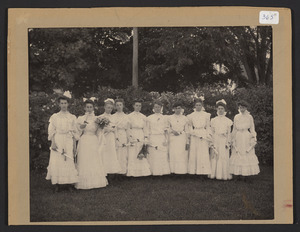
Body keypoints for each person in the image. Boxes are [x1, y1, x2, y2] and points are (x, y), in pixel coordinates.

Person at [46, 93, 79, 192]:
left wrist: (74, 146)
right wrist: (53, 143)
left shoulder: (72, 117)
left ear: (68, 104)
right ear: (59, 104)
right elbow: (51, 131)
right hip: (58, 139)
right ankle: (57, 184)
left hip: (68, 139)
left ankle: (69, 183)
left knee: (68, 160)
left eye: (65, 103)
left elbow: (74, 132)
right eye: (62, 103)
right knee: (57, 161)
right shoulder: (55, 117)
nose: (64, 105)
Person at [75, 99, 108, 189]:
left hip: (93, 140)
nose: (89, 109)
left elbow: (98, 132)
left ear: (93, 108)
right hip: (84, 140)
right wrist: (81, 128)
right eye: (87, 107)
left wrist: (101, 127)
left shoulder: (97, 119)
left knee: (94, 159)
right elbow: (76, 132)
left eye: (90, 107)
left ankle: (96, 181)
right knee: (85, 159)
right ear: (84, 108)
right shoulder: (80, 118)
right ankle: (83, 182)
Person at [229, 100, 260, 179]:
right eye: (240, 108)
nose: (242, 109)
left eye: (243, 107)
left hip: (246, 136)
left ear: (246, 108)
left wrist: (254, 137)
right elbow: (234, 129)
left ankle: (247, 175)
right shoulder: (236, 117)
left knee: (246, 153)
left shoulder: (249, 117)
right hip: (238, 136)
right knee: (237, 152)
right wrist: (232, 138)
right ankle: (238, 174)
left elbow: (252, 128)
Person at [126, 99, 151, 177]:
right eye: (136, 105)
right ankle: (132, 172)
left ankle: (142, 172)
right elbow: (128, 128)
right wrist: (130, 137)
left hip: (141, 134)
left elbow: (145, 128)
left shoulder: (143, 117)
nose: (138, 107)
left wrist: (146, 137)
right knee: (133, 153)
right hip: (133, 134)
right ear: (133, 106)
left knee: (140, 152)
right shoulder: (129, 116)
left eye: (139, 106)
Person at [187, 98, 212, 176]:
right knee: (194, 152)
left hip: (203, 134)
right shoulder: (191, 115)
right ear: (194, 106)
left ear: (202, 106)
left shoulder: (206, 115)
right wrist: (193, 132)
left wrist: (208, 135)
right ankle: (194, 171)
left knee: (203, 152)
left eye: (199, 105)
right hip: (195, 134)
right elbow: (190, 126)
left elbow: (208, 126)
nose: (198, 106)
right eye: (197, 105)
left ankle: (203, 171)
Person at [209, 99, 233, 180]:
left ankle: (223, 175)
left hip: (223, 140)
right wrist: (211, 142)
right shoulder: (213, 120)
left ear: (224, 110)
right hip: (216, 139)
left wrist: (228, 143)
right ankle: (213, 174)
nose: (220, 110)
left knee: (222, 156)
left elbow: (229, 133)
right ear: (217, 109)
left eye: (222, 109)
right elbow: (211, 132)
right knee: (215, 155)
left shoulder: (228, 121)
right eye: (219, 108)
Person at [98, 98, 122, 177]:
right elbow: (99, 129)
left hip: (111, 137)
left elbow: (116, 128)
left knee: (111, 153)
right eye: (108, 107)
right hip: (104, 137)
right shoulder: (100, 117)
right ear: (104, 107)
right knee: (104, 152)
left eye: (111, 108)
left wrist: (116, 135)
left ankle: (111, 171)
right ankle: (103, 171)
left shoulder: (113, 117)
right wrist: (107, 129)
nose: (110, 109)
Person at [146, 101, 170, 176]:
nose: (157, 108)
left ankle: (162, 172)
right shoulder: (149, 118)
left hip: (161, 137)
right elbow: (147, 129)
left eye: (159, 107)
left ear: (161, 108)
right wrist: (147, 139)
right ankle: (152, 172)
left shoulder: (165, 118)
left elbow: (166, 129)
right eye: (156, 107)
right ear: (153, 108)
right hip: (153, 137)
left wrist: (166, 140)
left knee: (161, 154)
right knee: (153, 155)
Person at [167, 101, 189, 175]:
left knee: (181, 154)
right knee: (173, 153)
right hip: (172, 137)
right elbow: (167, 128)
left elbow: (187, 130)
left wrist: (187, 142)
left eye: (179, 108)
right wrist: (172, 131)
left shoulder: (185, 118)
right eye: (176, 108)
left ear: (181, 109)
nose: (177, 110)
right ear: (173, 109)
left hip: (182, 137)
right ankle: (173, 171)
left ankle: (181, 171)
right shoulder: (169, 118)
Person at [111, 99, 129, 176]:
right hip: (115, 134)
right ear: (115, 106)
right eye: (117, 105)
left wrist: (128, 138)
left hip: (123, 134)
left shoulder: (126, 116)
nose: (119, 107)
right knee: (116, 153)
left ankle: (123, 172)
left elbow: (128, 128)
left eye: (120, 105)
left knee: (123, 153)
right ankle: (116, 172)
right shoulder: (113, 116)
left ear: (123, 106)